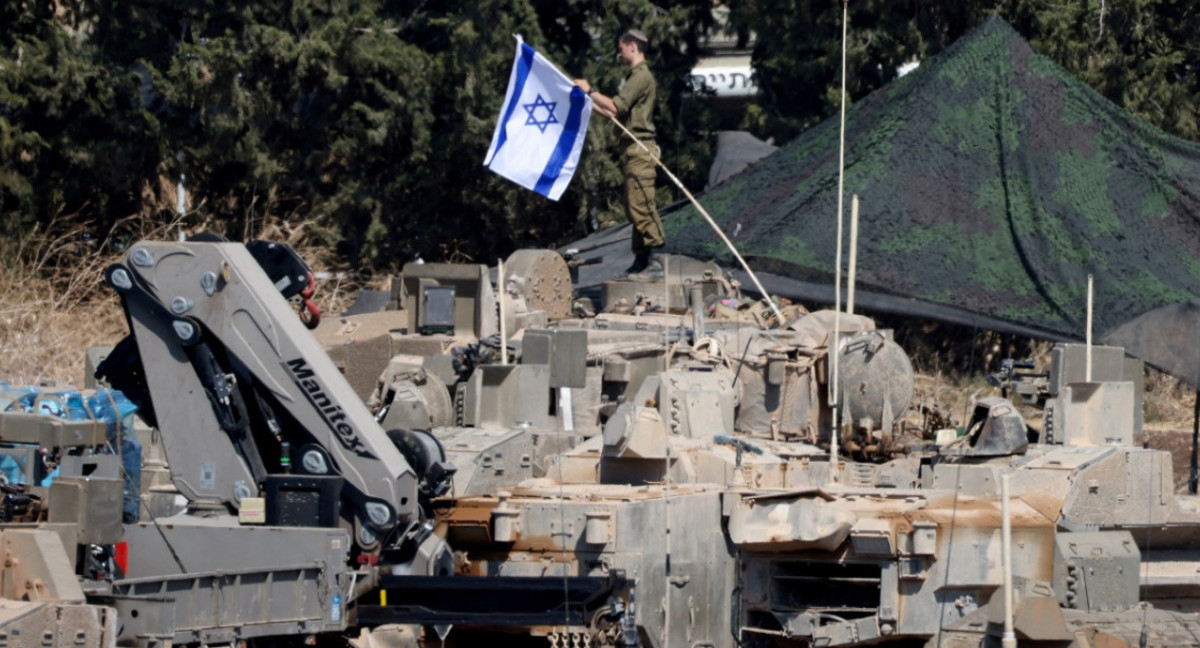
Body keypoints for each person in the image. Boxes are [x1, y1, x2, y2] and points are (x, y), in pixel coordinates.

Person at [575, 28, 665, 276]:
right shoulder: (635, 77)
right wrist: (587, 101)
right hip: (631, 150)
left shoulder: (641, 76)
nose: (619, 53)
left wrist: (590, 89)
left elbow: (617, 105)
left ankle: (657, 256)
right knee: (633, 206)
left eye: (621, 48)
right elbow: (614, 114)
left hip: (640, 149)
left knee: (641, 204)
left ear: (633, 47)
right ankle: (642, 258)